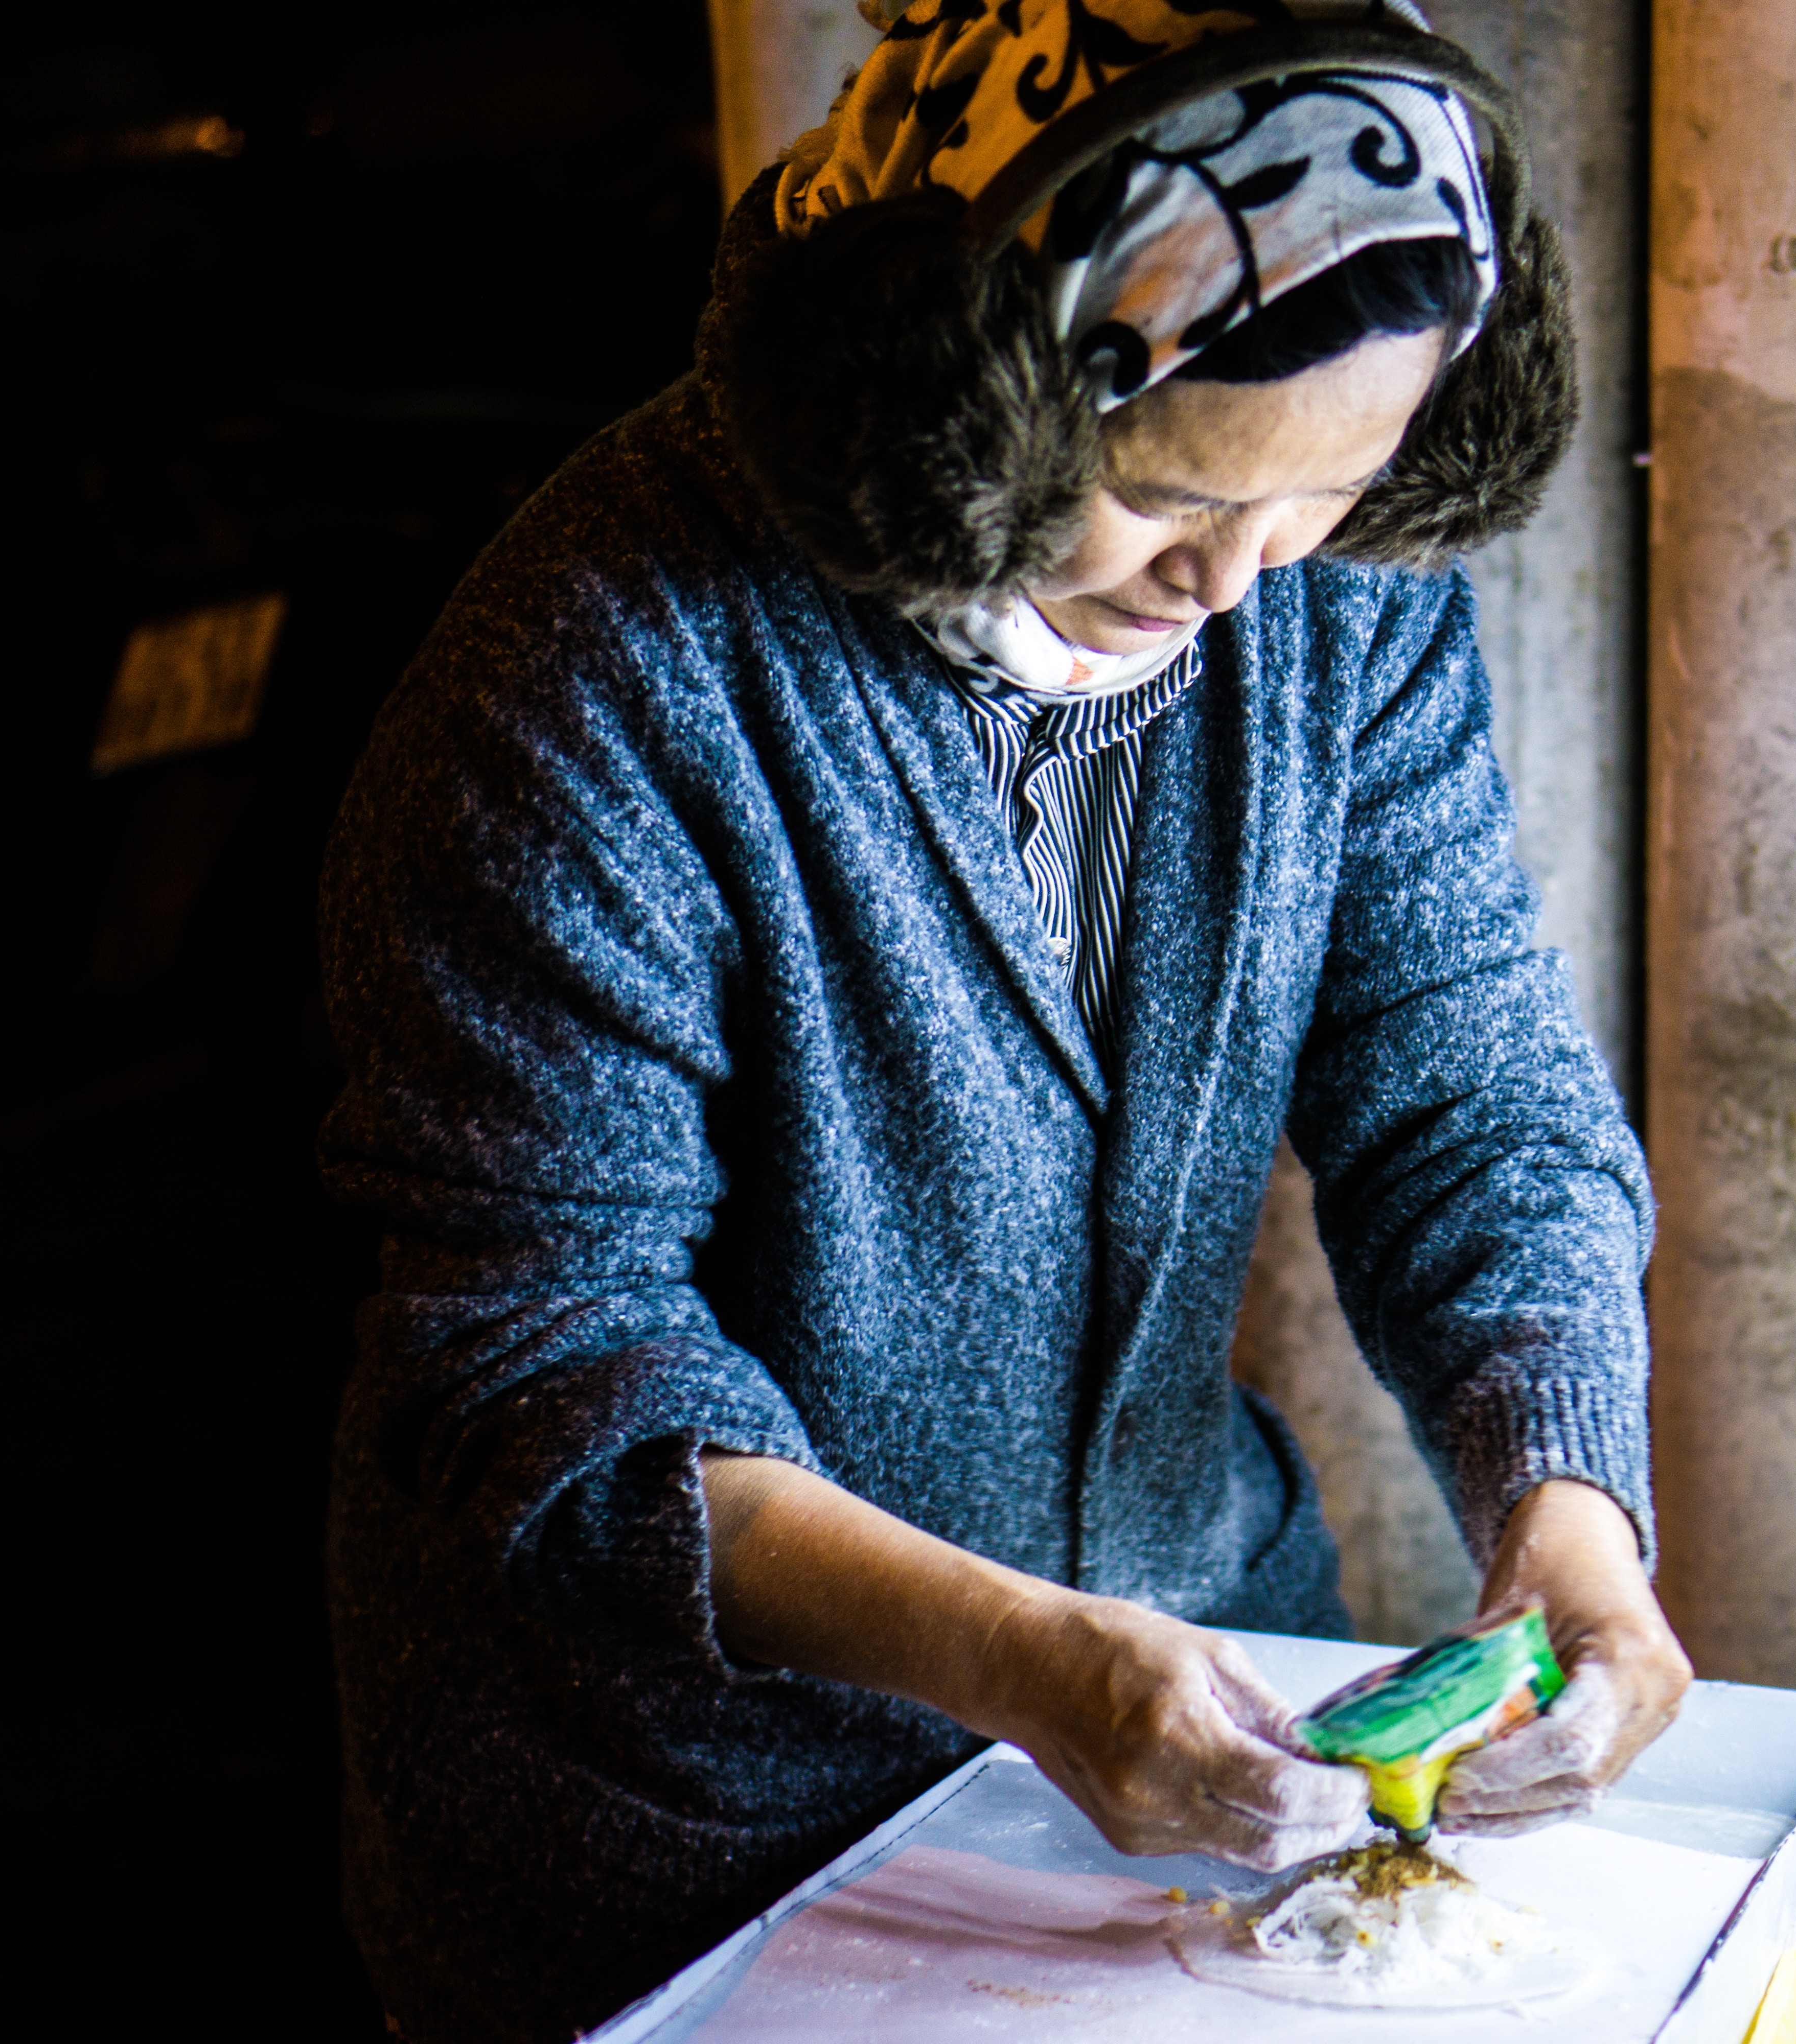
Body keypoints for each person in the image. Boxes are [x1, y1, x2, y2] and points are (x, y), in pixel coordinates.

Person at [316, 4, 1689, 2035]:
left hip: (1193, 1712)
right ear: (957, 406)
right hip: (684, 1825)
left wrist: (1568, 1495)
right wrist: (1023, 1662)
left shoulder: (1339, 588)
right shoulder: (592, 670)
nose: (1238, 584)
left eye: (1326, 492)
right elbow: (550, 1357)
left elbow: (1468, 1088)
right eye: (1161, 491)